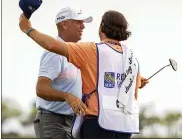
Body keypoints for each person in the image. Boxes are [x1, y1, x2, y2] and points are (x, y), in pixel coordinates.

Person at [19, 10, 148, 139]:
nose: (83, 26)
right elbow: (132, 95)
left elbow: (52, 45)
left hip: (98, 125)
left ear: (102, 27)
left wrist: (28, 29)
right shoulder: (132, 59)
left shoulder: (92, 50)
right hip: (124, 127)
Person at [33, 7, 93, 139]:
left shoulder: (76, 53)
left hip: (73, 122)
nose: (83, 26)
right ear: (64, 24)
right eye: (78, 22)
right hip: (53, 121)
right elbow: (41, 89)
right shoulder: (53, 53)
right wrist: (68, 96)